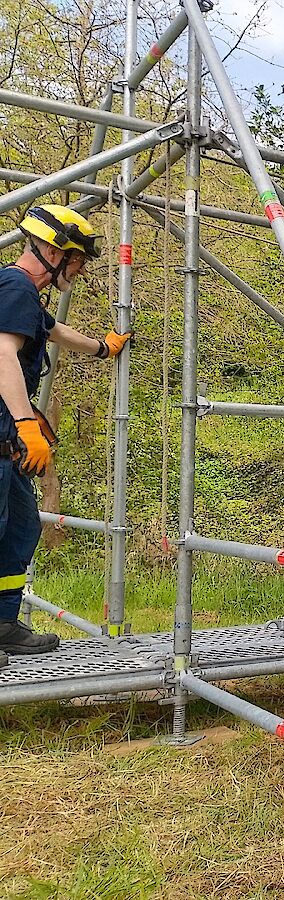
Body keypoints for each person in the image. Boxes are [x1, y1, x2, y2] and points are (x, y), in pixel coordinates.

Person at [0, 205, 131, 666]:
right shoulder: (15, 285)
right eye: (75, 258)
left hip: (7, 447)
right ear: (52, 250)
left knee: (20, 528)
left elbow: (52, 330)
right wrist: (24, 424)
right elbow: (3, 355)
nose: (78, 269)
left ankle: (4, 625)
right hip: (6, 435)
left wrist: (101, 347)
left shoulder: (24, 296)